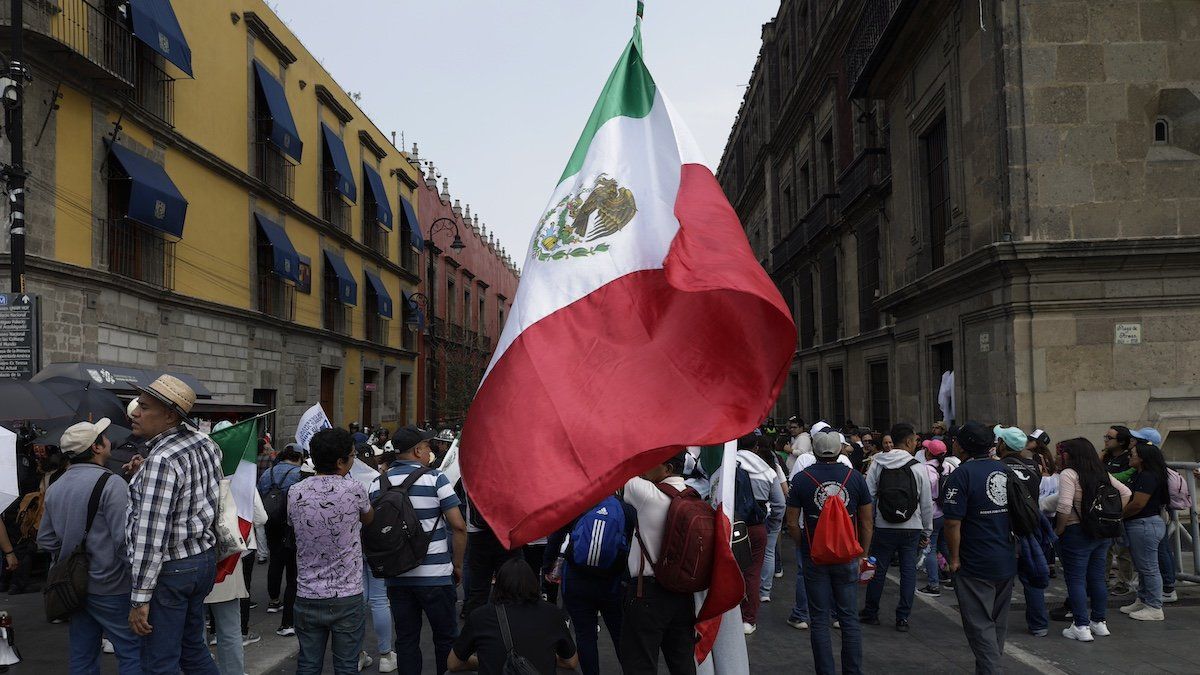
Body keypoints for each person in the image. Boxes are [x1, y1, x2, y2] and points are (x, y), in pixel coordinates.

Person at [125, 375, 222, 674]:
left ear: (169, 415)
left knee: (160, 661)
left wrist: (140, 597)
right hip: (202, 560)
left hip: (172, 568)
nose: (134, 413)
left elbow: (150, 534)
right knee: (193, 649)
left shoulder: (162, 459)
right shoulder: (203, 442)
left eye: (143, 407)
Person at [37, 419, 141, 673]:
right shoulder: (112, 483)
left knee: (83, 655)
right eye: (103, 437)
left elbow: (46, 540)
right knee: (132, 652)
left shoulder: (56, 487)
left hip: (73, 587)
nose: (108, 441)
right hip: (111, 585)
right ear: (96, 448)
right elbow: (123, 542)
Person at [372, 425, 468, 675]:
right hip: (436, 576)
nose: (429, 452)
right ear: (417, 451)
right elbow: (458, 527)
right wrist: (457, 565)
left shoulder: (377, 484)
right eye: (427, 447)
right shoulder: (435, 479)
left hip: (397, 576)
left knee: (406, 640)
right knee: (446, 638)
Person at [785, 431, 873, 675]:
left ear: (814, 451)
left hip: (815, 556)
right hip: (847, 555)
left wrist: (803, 545)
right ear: (839, 450)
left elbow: (792, 522)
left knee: (820, 621)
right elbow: (866, 522)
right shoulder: (854, 478)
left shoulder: (802, 479)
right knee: (849, 619)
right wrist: (862, 553)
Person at [289, 427, 374, 674]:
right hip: (346, 594)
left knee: (307, 663)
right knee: (346, 664)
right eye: (351, 455)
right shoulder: (354, 489)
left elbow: (292, 524)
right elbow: (368, 518)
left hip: (307, 592)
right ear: (340, 462)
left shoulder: (296, 491)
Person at [942, 422, 1017, 675]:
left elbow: (952, 522)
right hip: (1005, 556)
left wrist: (953, 558)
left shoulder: (961, 474)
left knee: (980, 626)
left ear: (963, 446)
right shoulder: (1004, 470)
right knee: (997, 624)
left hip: (975, 561)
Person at [620, 452, 697, 675]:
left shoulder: (645, 494)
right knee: (682, 661)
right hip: (683, 593)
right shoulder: (696, 498)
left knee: (639, 663)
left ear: (668, 469)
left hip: (648, 593)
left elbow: (622, 467)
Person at [544, 495, 633, 675]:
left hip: (577, 581)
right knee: (620, 634)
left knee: (585, 635)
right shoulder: (625, 508)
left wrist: (548, 566)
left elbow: (556, 536)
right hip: (612, 583)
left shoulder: (576, 503)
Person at [1053, 438, 1131, 641]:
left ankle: (1080, 625)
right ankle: (1099, 622)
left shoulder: (1069, 474)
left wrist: (1059, 530)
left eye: (1061, 452)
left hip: (1076, 532)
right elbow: (1126, 492)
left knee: (1076, 579)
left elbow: (1063, 506)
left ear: (1070, 455)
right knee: (1097, 578)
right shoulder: (1101, 473)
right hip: (1101, 533)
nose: (1058, 456)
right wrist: (1109, 515)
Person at [449, 558, 579, 674]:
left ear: (498, 585)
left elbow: (453, 664)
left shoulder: (480, 616)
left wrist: (482, 661)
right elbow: (571, 662)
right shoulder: (553, 614)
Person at [861, 422, 933, 632]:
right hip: (912, 527)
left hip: (884, 526)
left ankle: (871, 611)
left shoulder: (878, 463)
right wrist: (927, 531)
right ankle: (902, 617)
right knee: (908, 570)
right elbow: (926, 503)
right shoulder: (918, 467)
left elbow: (869, 495)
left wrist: (869, 523)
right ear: (909, 441)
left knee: (879, 570)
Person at [204, 489, 268, 675]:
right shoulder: (238, 476)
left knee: (195, 629)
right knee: (230, 627)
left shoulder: (188, 472)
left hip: (193, 558)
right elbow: (260, 517)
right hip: (229, 557)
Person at [995, 424, 1048, 637]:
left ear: (1003, 444)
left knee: (1000, 580)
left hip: (1006, 530)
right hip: (1029, 528)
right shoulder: (1034, 467)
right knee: (1033, 579)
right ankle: (1039, 625)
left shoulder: (998, 467)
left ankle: (995, 624)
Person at [1119, 441, 1169, 621]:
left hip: (1144, 525)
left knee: (1149, 568)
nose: (1129, 456)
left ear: (1142, 458)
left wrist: (1120, 515)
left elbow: (1138, 503)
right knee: (1142, 566)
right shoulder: (1142, 475)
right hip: (1142, 525)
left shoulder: (1148, 476)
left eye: (1132, 454)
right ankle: (1143, 599)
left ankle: (1154, 606)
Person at [257, 444, 303, 636]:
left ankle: (273, 601)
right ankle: (289, 616)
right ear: (299, 456)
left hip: (270, 521)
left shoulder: (269, 473)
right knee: (292, 567)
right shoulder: (299, 474)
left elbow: (259, 495)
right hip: (289, 525)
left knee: (275, 561)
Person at [1102, 425, 1137, 596]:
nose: (1106, 440)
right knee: (1105, 547)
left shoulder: (1129, 459)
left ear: (1122, 441)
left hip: (1122, 507)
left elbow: (1125, 481)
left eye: (1109, 438)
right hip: (1105, 508)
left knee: (1123, 548)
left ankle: (1124, 582)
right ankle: (1103, 579)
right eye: (1106, 437)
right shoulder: (1105, 457)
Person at [755, 435, 789, 604]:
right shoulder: (774, 466)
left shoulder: (745, 466)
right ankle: (765, 590)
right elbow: (785, 491)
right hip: (772, 514)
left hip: (754, 516)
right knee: (769, 551)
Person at [917, 439, 951, 596]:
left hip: (932, 515)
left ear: (928, 452)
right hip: (947, 513)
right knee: (945, 546)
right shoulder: (949, 467)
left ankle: (933, 585)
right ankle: (955, 577)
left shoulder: (924, 469)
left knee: (930, 549)